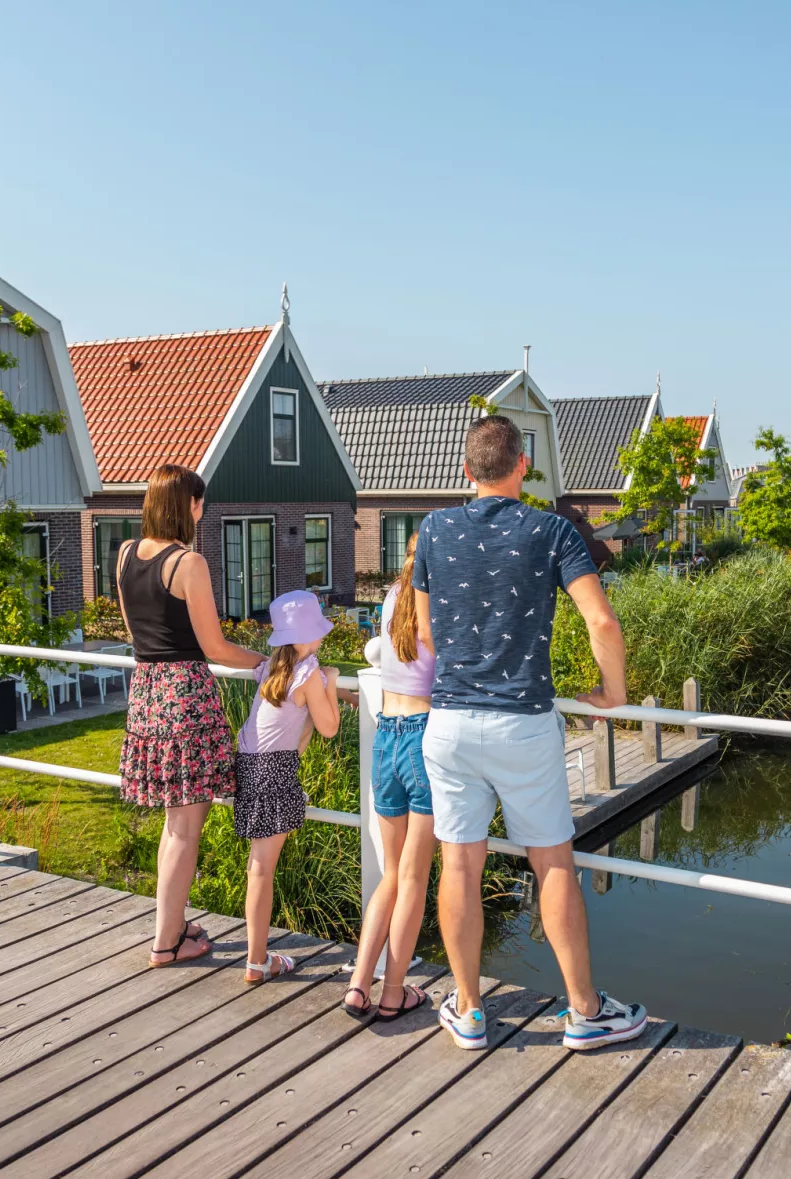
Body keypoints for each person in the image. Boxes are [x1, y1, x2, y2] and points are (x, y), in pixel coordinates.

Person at [414, 414, 646, 1052]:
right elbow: (601, 622)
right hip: (522, 724)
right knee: (552, 866)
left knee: (458, 864)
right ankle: (584, 1010)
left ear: (466, 471)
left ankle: (466, 1009)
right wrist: (615, 695)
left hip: (450, 724)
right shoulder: (551, 531)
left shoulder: (433, 529)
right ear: (522, 467)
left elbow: (427, 634)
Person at [115, 464, 266, 968]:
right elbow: (216, 647)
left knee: (170, 823)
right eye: (200, 503)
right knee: (185, 827)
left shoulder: (123, 556)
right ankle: (165, 943)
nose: (202, 511)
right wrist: (270, 662)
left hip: (146, 694)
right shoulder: (189, 563)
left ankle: (173, 926)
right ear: (190, 505)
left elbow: (138, 631)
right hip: (185, 697)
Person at [235, 590, 354, 984]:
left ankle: (257, 958)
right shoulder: (309, 674)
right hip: (275, 772)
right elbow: (329, 728)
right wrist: (334, 681)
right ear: (304, 638)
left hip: (251, 767)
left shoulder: (272, 667)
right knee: (262, 870)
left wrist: (334, 689)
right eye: (317, 632)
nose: (322, 638)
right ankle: (256, 962)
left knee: (258, 867)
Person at [341, 532, 436, 1022]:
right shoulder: (435, 601)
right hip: (423, 736)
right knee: (413, 878)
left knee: (391, 874)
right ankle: (394, 991)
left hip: (387, 735)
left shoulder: (392, 598)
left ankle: (359, 984)